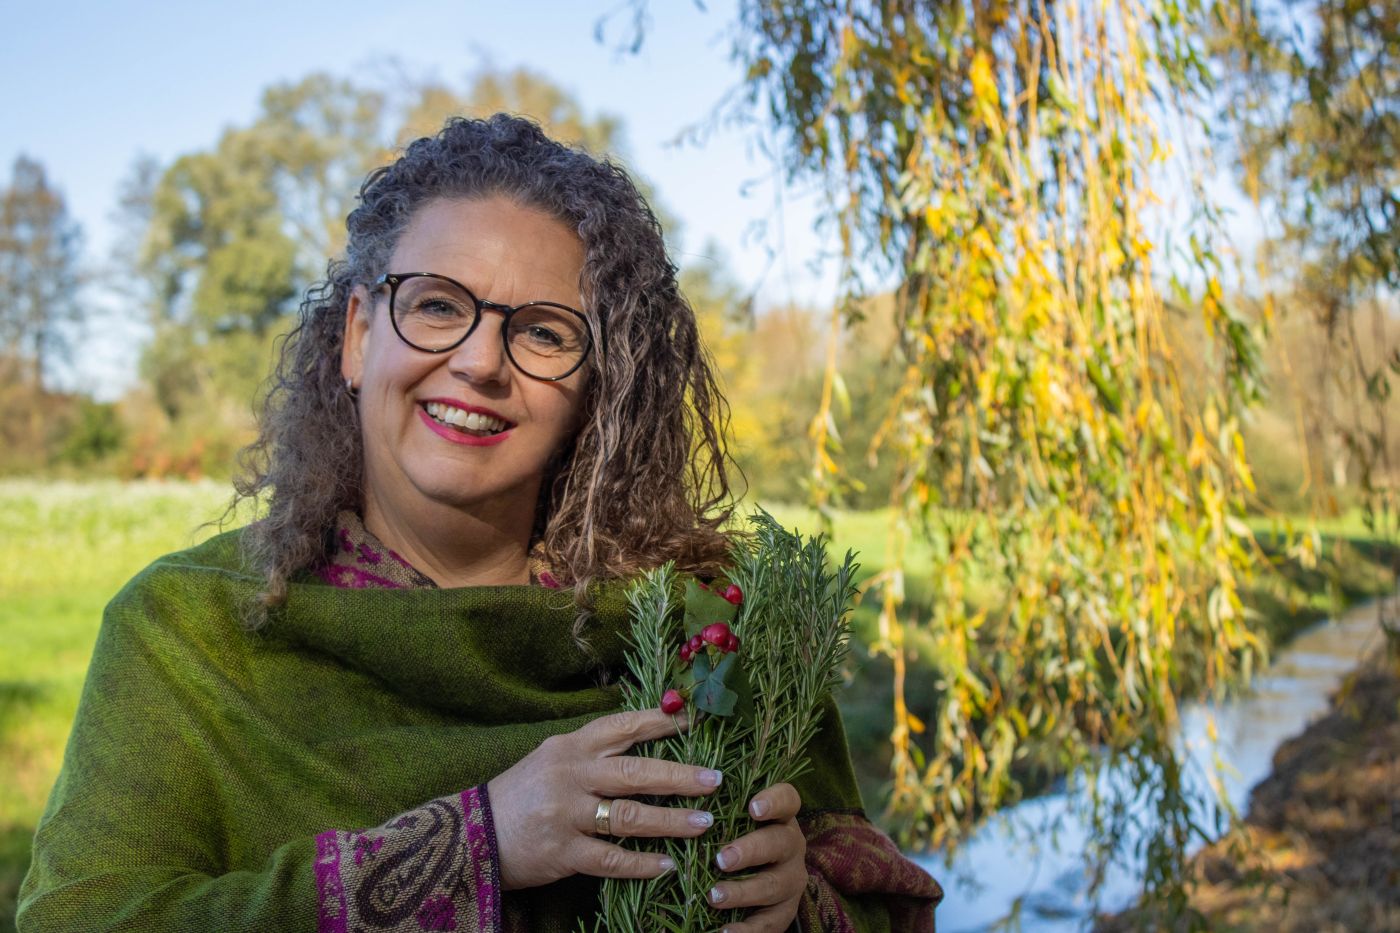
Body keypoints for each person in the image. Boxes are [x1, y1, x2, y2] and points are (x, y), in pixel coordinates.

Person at [18, 114, 941, 932]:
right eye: (436, 305)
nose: (480, 362)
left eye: (542, 331)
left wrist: (793, 901)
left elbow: (871, 888)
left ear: (596, 391)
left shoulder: (711, 629)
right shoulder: (185, 635)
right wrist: (479, 841)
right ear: (358, 335)